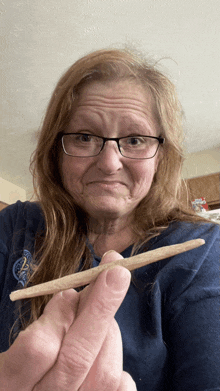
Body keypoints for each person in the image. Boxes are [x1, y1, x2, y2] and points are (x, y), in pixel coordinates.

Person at [0, 48, 219, 391]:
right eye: (85, 137)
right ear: (56, 151)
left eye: (134, 140)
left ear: (161, 156)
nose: (109, 163)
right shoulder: (15, 227)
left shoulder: (204, 249)